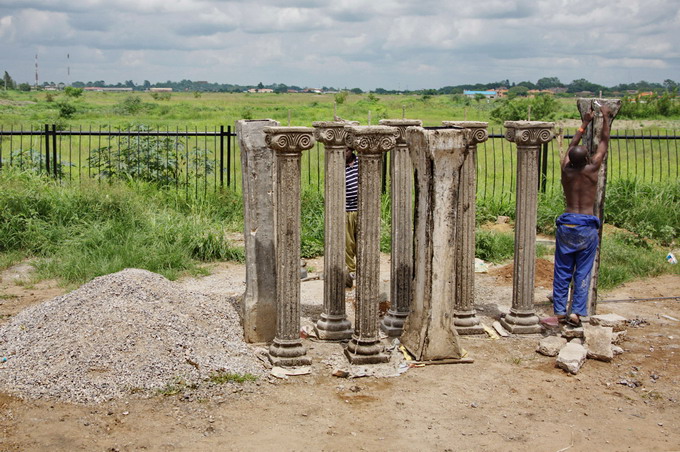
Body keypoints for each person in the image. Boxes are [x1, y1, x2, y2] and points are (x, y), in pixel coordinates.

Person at [553, 103, 612, 327]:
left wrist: (584, 123)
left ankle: (559, 311)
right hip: (587, 226)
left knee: (562, 270)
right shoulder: (592, 170)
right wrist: (605, 117)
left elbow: (571, 147)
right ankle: (577, 313)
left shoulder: (566, 171)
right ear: (587, 159)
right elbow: (604, 142)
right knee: (583, 271)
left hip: (567, 225)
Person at [345, 148, 358, 288]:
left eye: (347, 150)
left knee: (361, 241)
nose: (344, 153)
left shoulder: (361, 162)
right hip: (347, 209)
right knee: (348, 243)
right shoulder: (338, 164)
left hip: (361, 208)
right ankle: (351, 271)